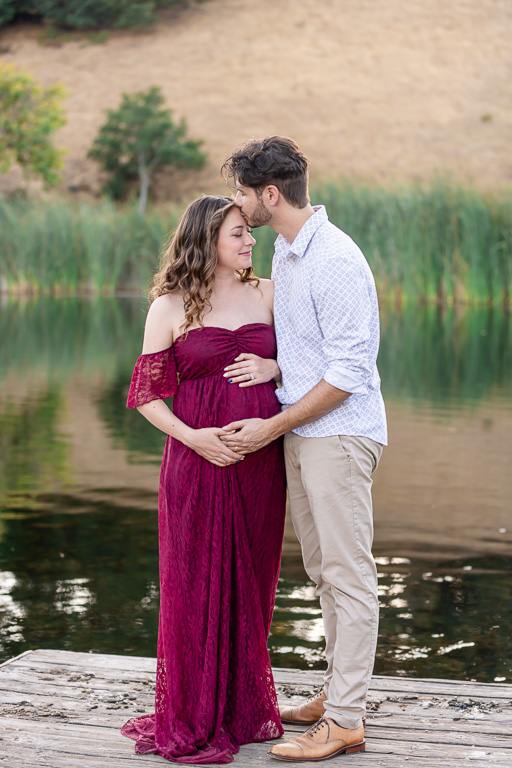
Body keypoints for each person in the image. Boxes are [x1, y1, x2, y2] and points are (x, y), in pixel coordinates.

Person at [220, 137, 388, 761]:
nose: (239, 205)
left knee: (348, 576)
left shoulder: (335, 258)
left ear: (269, 194)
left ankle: (345, 719)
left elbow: (348, 371)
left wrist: (272, 424)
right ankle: (335, 693)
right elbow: (312, 348)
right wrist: (274, 367)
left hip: (339, 435)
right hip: (306, 431)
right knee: (323, 573)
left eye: (243, 192)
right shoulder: (291, 255)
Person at [121, 195, 287, 764]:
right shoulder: (169, 307)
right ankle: (195, 709)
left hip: (261, 460)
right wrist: (193, 438)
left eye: (249, 234)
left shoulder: (267, 293)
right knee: (195, 581)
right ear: (207, 239)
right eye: (239, 234)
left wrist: (275, 366)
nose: (250, 242)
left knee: (253, 579)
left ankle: (241, 707)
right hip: (196, 461)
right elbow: (145, 395)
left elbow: (315, 358)